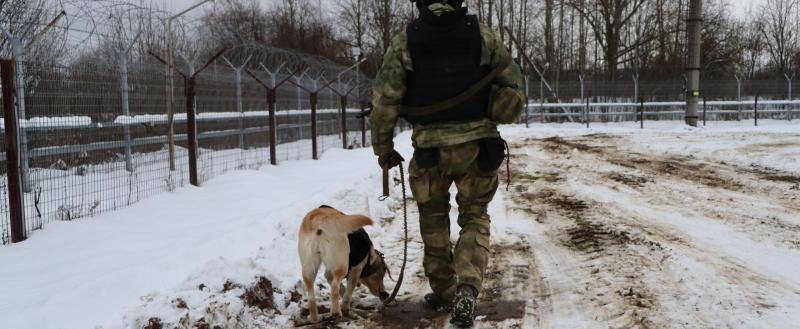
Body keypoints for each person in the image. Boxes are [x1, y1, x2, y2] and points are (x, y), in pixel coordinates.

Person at [369, 0, 525, 327]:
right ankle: (467, 288)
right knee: (474, 216)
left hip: (429, 150)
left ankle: (444, 291)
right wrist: (492, 105)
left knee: (433, 218)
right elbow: (514, 90)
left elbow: (385, 100)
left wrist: (383, 148)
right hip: (477, 147)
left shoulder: (405, 41)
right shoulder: (484, 36)